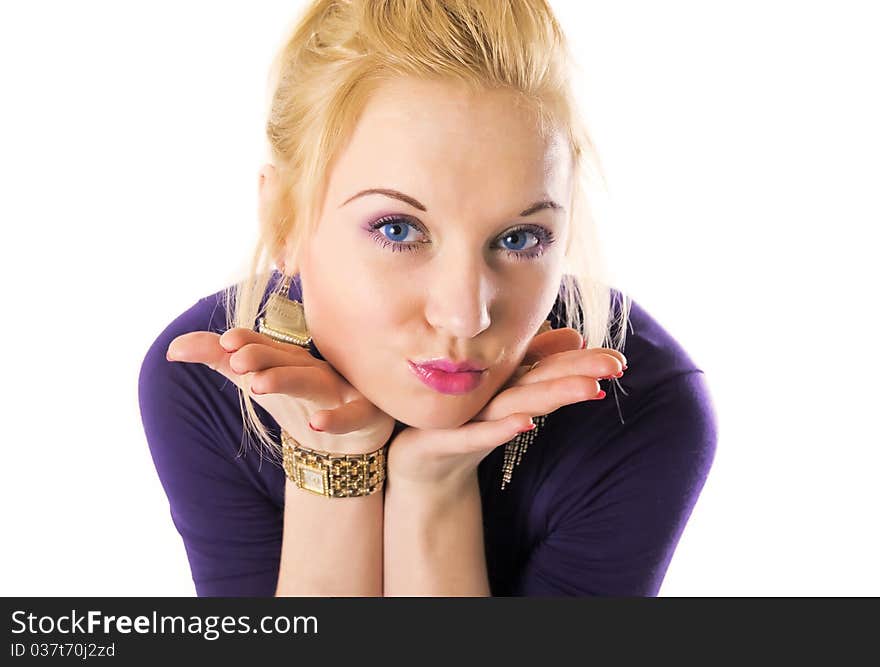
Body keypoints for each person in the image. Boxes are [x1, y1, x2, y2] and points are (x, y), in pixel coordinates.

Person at [138, 0, 717, 597]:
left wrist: (434, 492)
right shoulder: (210, 383)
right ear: (282, 219)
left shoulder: (635, 409)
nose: (466, 314)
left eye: (519, 239)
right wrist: (335, 468)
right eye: (398, 230)